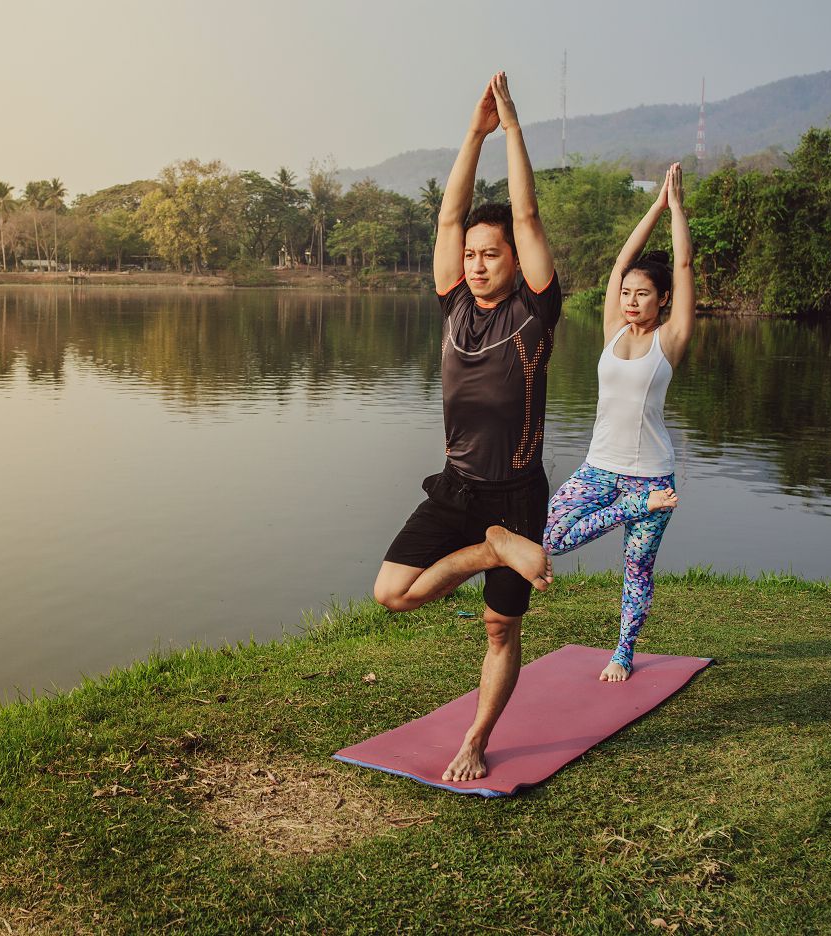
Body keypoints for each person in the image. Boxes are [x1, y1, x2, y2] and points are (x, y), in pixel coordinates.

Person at [373, 72, 561, 783]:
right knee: (392, 593)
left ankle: (477, 738)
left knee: (499, 628)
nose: (478, 265)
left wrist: (511, 131)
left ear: (516, 260)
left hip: (516, 492)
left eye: (493, 254)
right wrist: (473, 133)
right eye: (474, 256)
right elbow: (448, 220)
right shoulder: (453, 303)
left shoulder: (535, 314)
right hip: (458, 491)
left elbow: (529, 213)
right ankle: (493, 552)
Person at [542, 162, 696, 683]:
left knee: (636, 571)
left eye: (643, 294)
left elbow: (684, 267)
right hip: (599, 468)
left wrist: (676, 210)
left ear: (663, 300)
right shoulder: (612, 329)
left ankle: (622, 654)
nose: (631, 300)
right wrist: (653, 207)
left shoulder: (669, 341)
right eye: (627, 293)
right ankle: (635, 508)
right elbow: (619, 265)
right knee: (547, 541)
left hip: (653, 473)